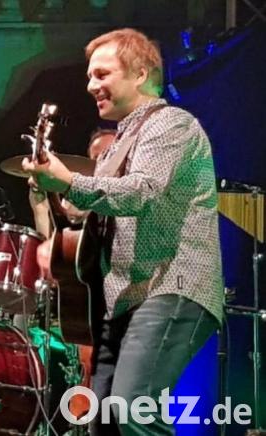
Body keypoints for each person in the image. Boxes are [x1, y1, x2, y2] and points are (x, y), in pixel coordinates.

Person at [22, 28, 223, 434]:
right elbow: (97, 213)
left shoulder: (170, 123)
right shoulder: (118, 143)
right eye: (89, 76)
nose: (90, 85)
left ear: (140, 74)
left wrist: (69, 183)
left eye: (102, 74)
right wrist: (56, 207)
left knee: (134, 409)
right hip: (126, 299)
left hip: (170, 286)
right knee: (105, 422)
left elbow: (140, 192)